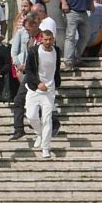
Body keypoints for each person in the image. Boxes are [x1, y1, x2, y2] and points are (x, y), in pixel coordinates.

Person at [25, 29, 62, 159]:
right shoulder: (33, 51)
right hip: (34, 89)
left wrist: (56, 84)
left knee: (47, 119)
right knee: (31, 116)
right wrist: (37, 82)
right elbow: (28, 71)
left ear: (53, 39)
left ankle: (46, 147)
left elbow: (56, 69)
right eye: (45, 39)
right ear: (41, 39)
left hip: (49, 91)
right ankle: (39, 133)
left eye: (50, 39)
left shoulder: (56, 51)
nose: (48, 42)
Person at [10, 12, 42, 141]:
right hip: (28, 75)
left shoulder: (43, 37)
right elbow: (16, 51)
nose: (27, 30)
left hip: (39, 75)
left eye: (29, 27)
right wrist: (19, 64)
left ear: (35, 25)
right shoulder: (26, 36)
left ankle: (50, 122)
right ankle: (19, 129)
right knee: (18, 101)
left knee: (40, 102)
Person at [56, 0, 94, 72]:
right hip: (71, 11)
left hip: (84, 11)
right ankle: (68, 62)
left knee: (86, 35)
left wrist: (91, 3)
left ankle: (76, 58)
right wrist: (63, 3)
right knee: (70, 37)